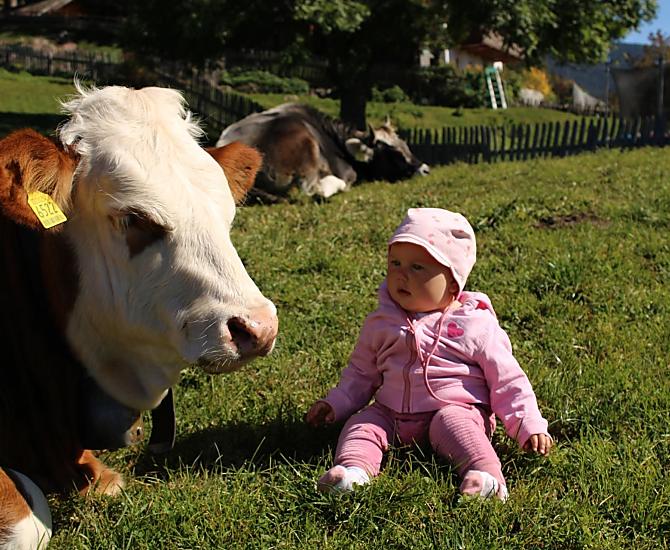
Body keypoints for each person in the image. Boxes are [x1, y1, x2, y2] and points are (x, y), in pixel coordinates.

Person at [306, 208, 552, 500]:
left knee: (455, 425)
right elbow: (360, 374)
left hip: (455, 409)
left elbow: (507, 379)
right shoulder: (381, 323)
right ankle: (353, 474)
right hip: (391, 413)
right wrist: (335, 403)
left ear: (452, 282)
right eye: (395, 263)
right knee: (362, 424)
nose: (401, 274)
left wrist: (527, 424)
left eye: (417, 267)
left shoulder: (474, 324)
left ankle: (486, 478)